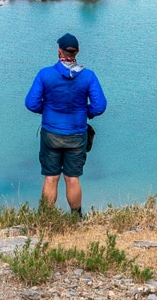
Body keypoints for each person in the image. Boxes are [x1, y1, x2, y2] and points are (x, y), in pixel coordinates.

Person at [24, 32, 106, 216]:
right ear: (77, 52)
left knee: (51, 178)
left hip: (51, 134)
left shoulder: (45, 74)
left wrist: (46, 110)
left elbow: (31, 103)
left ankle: (45, 218)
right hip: (77, 135)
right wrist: (86, 112)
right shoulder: (88, 76)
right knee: (73, 179)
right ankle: (76, 219)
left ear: (59, 50)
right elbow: (99, 106)